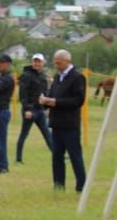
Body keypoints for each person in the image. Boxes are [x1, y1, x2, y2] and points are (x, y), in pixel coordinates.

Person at [41, 49, 87, 192]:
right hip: (56, 124)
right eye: (55, 63)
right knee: (57, 157)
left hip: (70, 124)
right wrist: (45, 101)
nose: (57, 65)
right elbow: (52, 94)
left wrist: (56, 102)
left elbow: (78, 100)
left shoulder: (77, 77)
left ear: (67, 61)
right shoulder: (57, 77)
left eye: (59, 63)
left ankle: (81, 186)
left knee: (75, 156)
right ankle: (58, 185)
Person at [15, 53, 53, 164]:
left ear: (43, 63)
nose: (37, 63)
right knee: (24, 134)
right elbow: (23, 94)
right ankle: (18, 159)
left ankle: (57, 155)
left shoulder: (43, 76)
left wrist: (46, 108)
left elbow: (44, 93)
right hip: (30, 110)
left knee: (47, 134)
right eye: (35, 61)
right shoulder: (26, 75)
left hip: (40, 110)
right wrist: (27, 109)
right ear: (32, 62)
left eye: (39, 61)